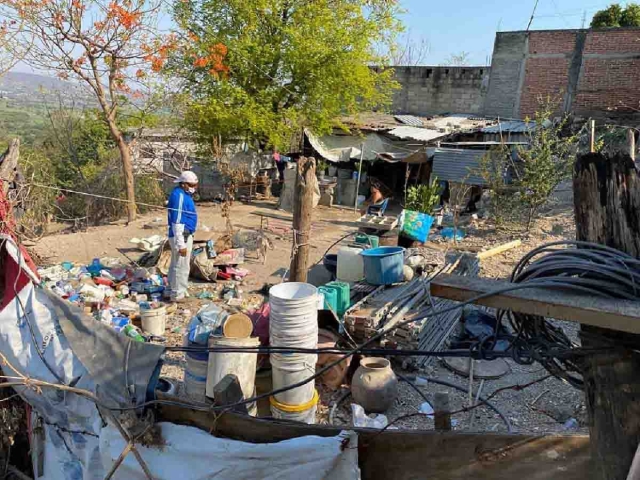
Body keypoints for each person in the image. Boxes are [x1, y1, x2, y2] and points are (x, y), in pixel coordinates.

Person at [167, 171, 199, 301]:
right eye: (192, 185)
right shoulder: (179, 196)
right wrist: (181, 243)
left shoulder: (183, 194)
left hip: (185, 234)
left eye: (195, 185)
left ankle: (176, 289)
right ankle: (177, 294)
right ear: (184, 184)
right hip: (182, 236)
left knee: (178, 264)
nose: (194, 187)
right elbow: (177, 222)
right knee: (181, 266)